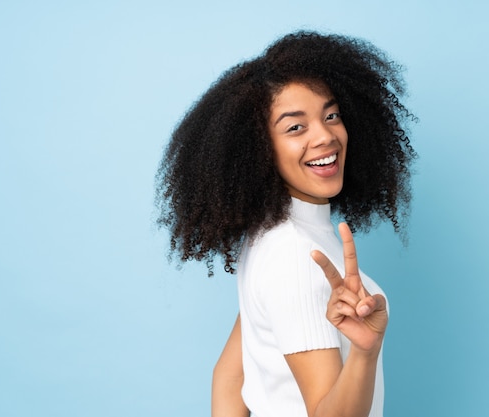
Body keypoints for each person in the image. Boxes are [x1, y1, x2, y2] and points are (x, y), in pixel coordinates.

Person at [156, 30, 416, 417]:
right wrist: (364, 351)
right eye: (296, 127)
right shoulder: (296, 255)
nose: (325, 136)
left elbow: (228, 378)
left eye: (331, 116)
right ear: (259, 150)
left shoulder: (273, 237)